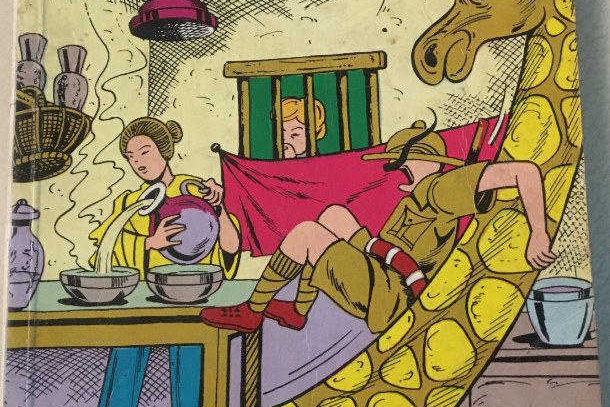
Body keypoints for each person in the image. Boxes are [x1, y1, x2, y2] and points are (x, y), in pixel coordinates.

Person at [202, 119, 555, 334]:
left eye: (397, 163)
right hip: (382, 266)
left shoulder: (440, 189)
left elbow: (524, 171)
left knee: (307, 234)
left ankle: (253, 311)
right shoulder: (420, 193)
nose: (391, 169)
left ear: (417, 162)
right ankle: (297, 311)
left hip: (391, 291)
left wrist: (539, 232)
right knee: (333, 215)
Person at [58, 117, 240, 407]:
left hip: (191, 296)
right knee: (126, 356)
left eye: (145, 151)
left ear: (164, 151)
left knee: (190, 362)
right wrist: (148, 243)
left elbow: (231, 246)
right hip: (143, 299)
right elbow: (102, 258)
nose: (138, 161)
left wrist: (220, 208)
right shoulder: (130, 201)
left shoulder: (194, 192)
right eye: (130, 156)